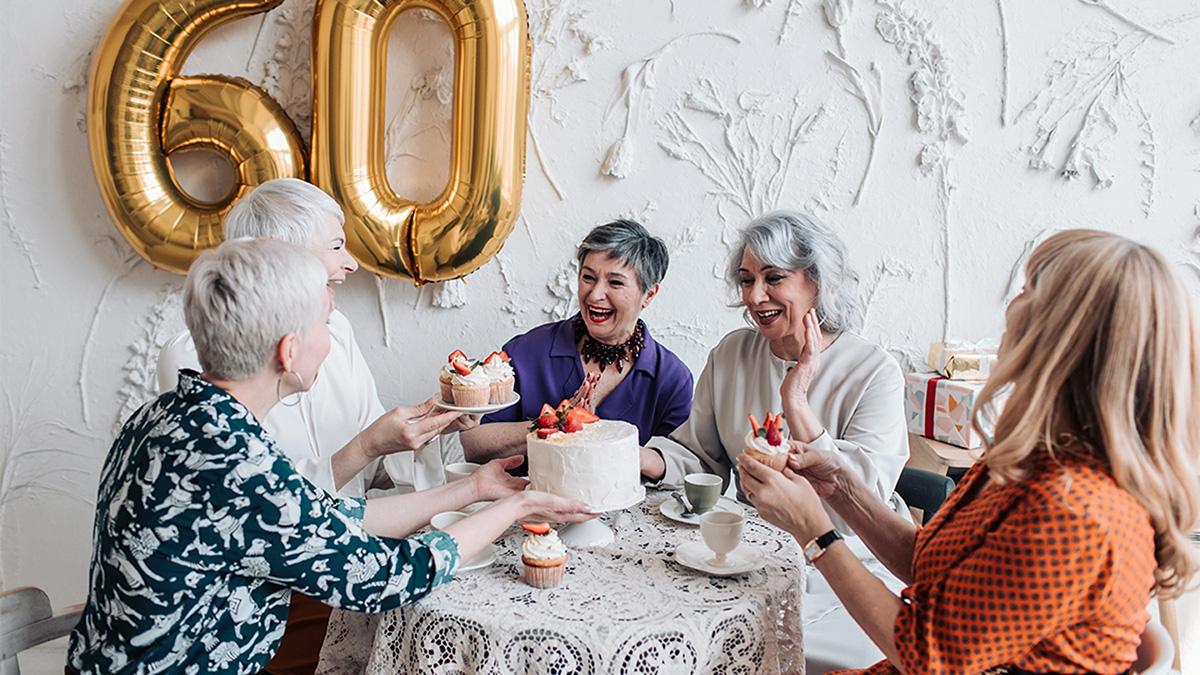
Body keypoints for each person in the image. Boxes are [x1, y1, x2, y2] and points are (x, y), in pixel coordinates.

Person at [67, 239, 594, 674]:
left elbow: (326, 517)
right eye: (324, 325)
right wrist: (516, 510)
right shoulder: (236, 461)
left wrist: (476, 490)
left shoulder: (166, 416)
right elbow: (392, 578)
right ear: (288, 352)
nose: (331, 340)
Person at [740, 229, 1200, 673]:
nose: (1013, 303)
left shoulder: (1075, 511)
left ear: (1069, 337)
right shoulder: (1037, 456)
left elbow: (927, 657)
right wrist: (840, 484)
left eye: (1031, 289)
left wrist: (814, 531)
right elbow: (930, 564)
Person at [157, 178, 470, 500]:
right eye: (336, 246)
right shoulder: (192, 359)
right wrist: (367, 446)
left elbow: (372, 470)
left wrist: (429, 427)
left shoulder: (335, 329)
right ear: (279, 257)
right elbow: (248, 502)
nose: (351, 264)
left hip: (351, 536)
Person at [639, 211, 908, 525]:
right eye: (747, 280)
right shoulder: (731, 354)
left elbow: (864, 507)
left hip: (847, 555)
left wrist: (795, 402)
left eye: (774, 277)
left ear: (819, 281)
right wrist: (638, 458)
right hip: (756, 542)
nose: (755, 296)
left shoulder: (874, 373)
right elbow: (700, 458)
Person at [462, 219, 693, 462]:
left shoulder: (671, 379)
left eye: (615, 282)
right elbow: (474, 445)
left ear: (649, 294)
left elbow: (678, 471)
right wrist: (553, 424)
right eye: (588, 277)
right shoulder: (526, 352)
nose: (594, 295)